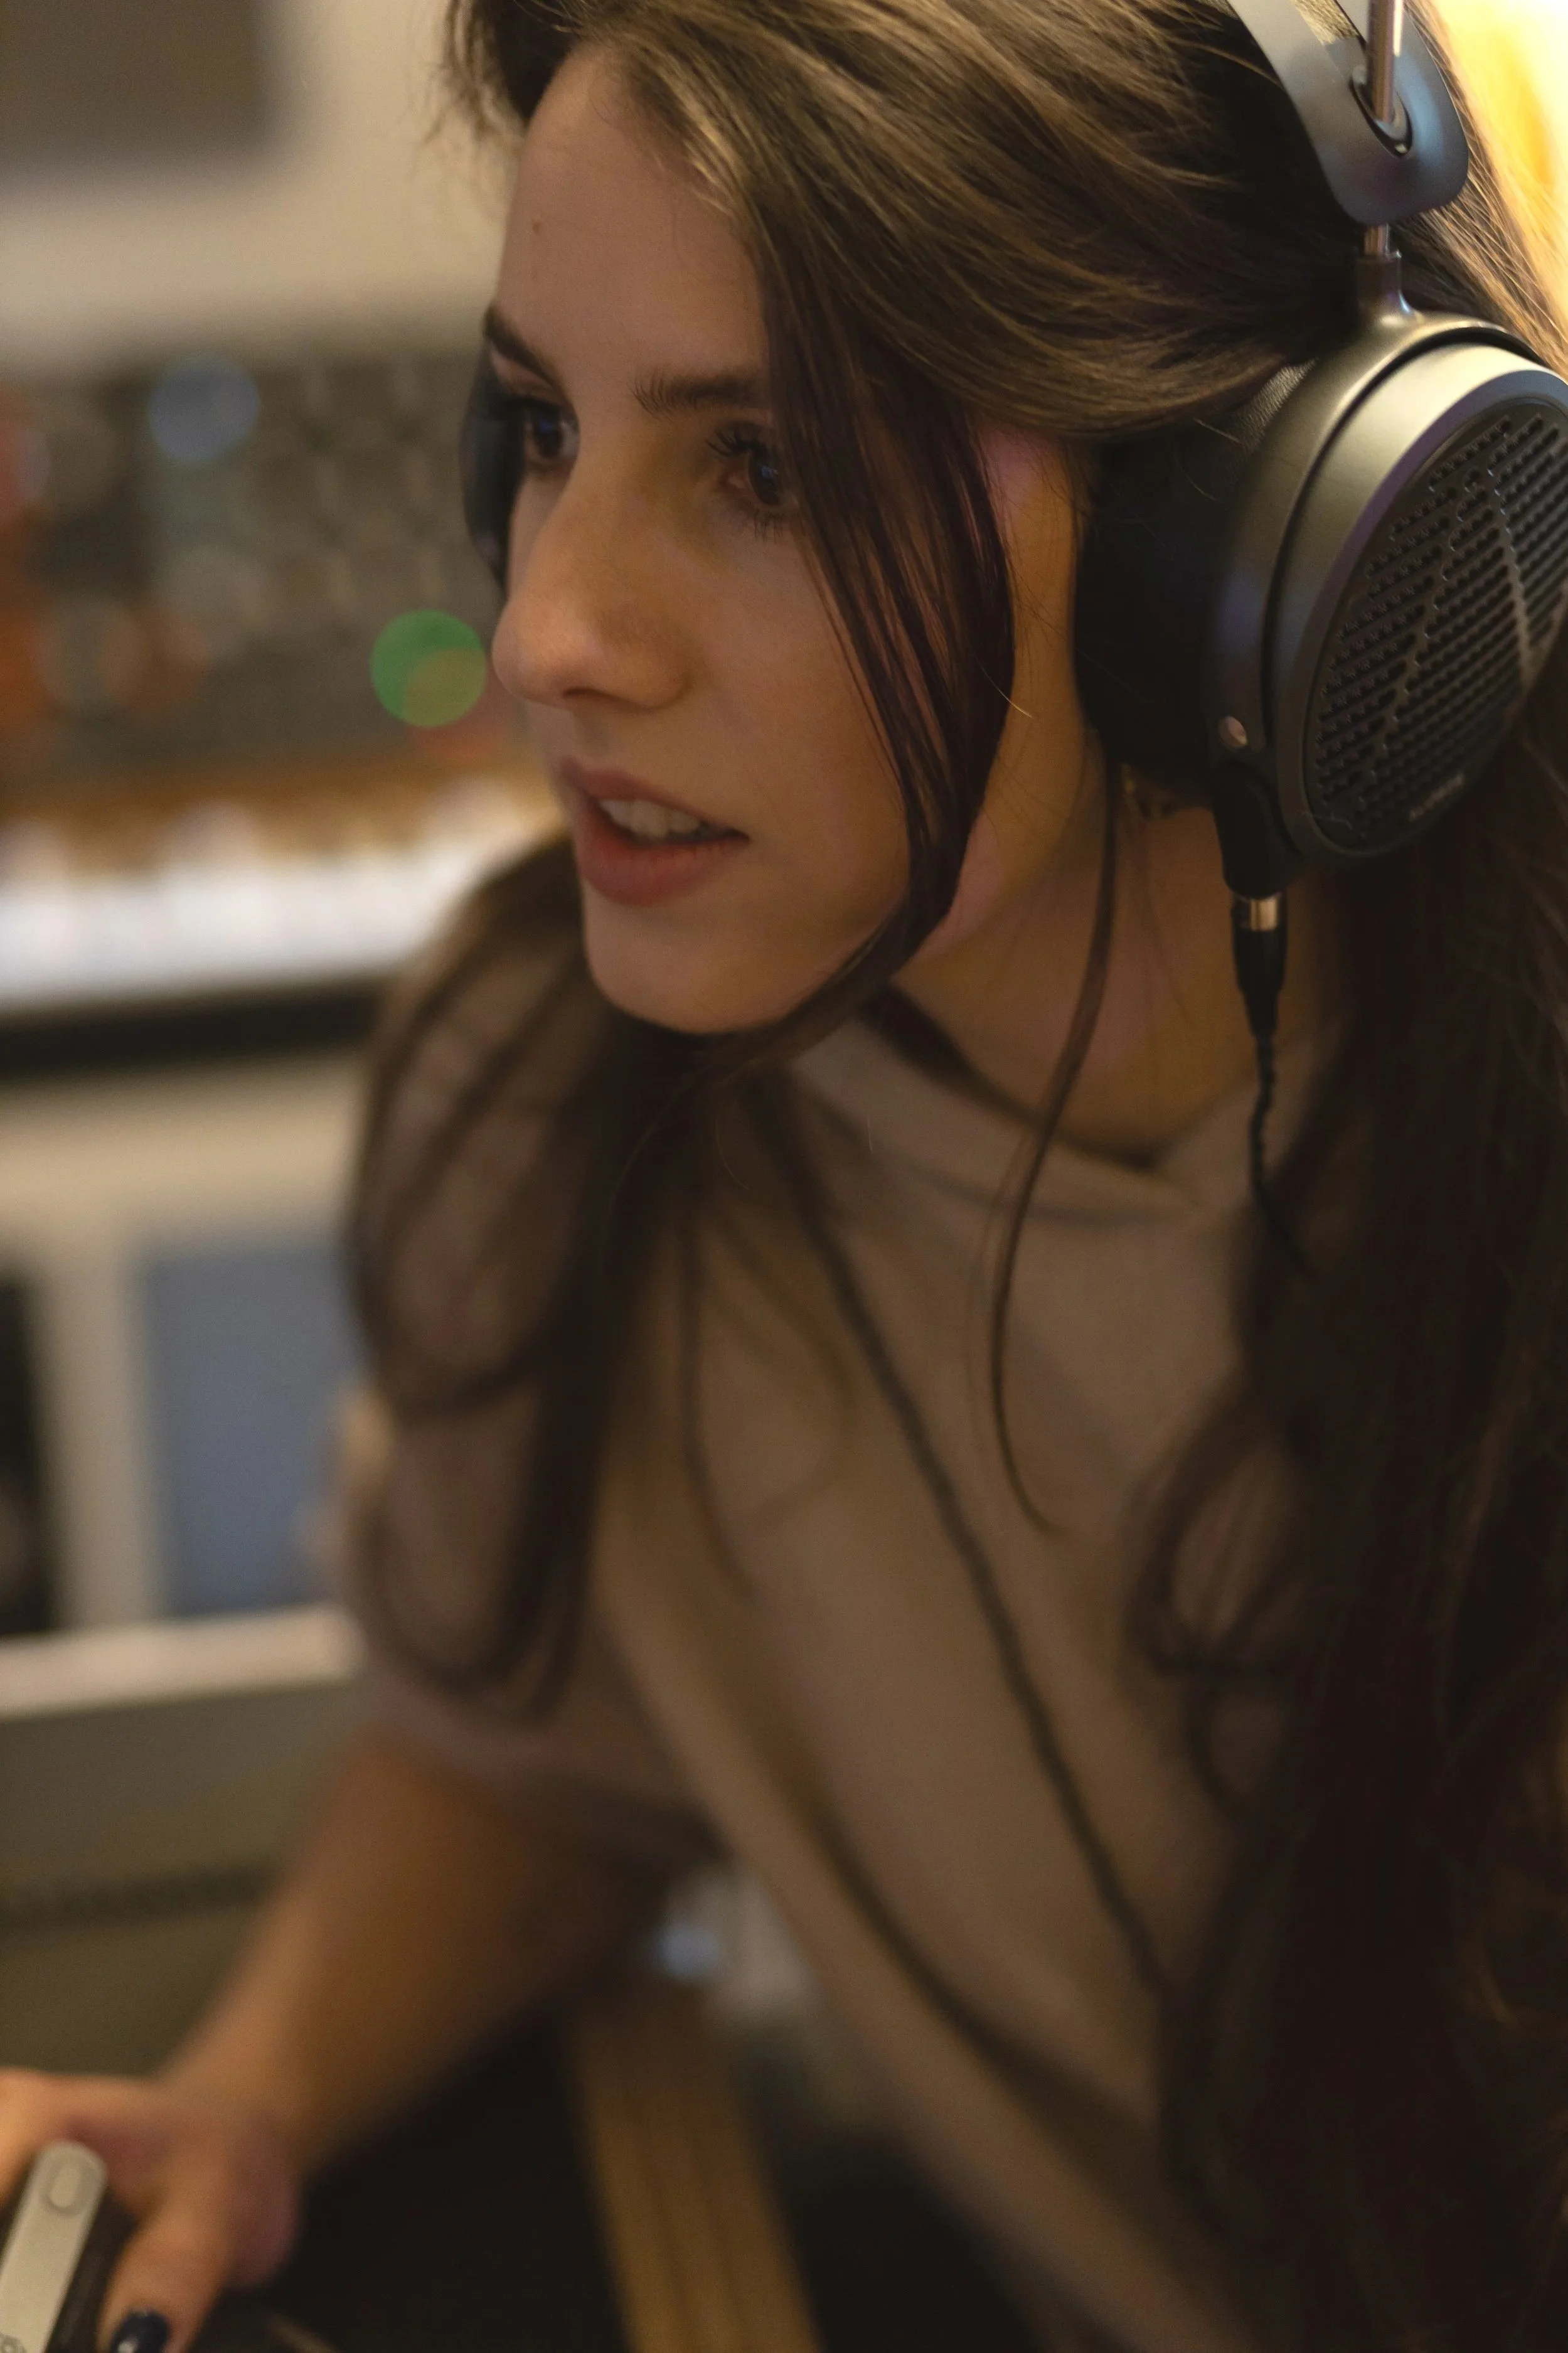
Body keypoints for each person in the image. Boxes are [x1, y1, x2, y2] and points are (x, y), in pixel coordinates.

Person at [4, 3, 1567, 2348]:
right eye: (544, 427)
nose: (542, 633)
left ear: (1243, 559)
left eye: (773, 473)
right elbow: (544, 1750)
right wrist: (252, 2099)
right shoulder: (561, 1112)